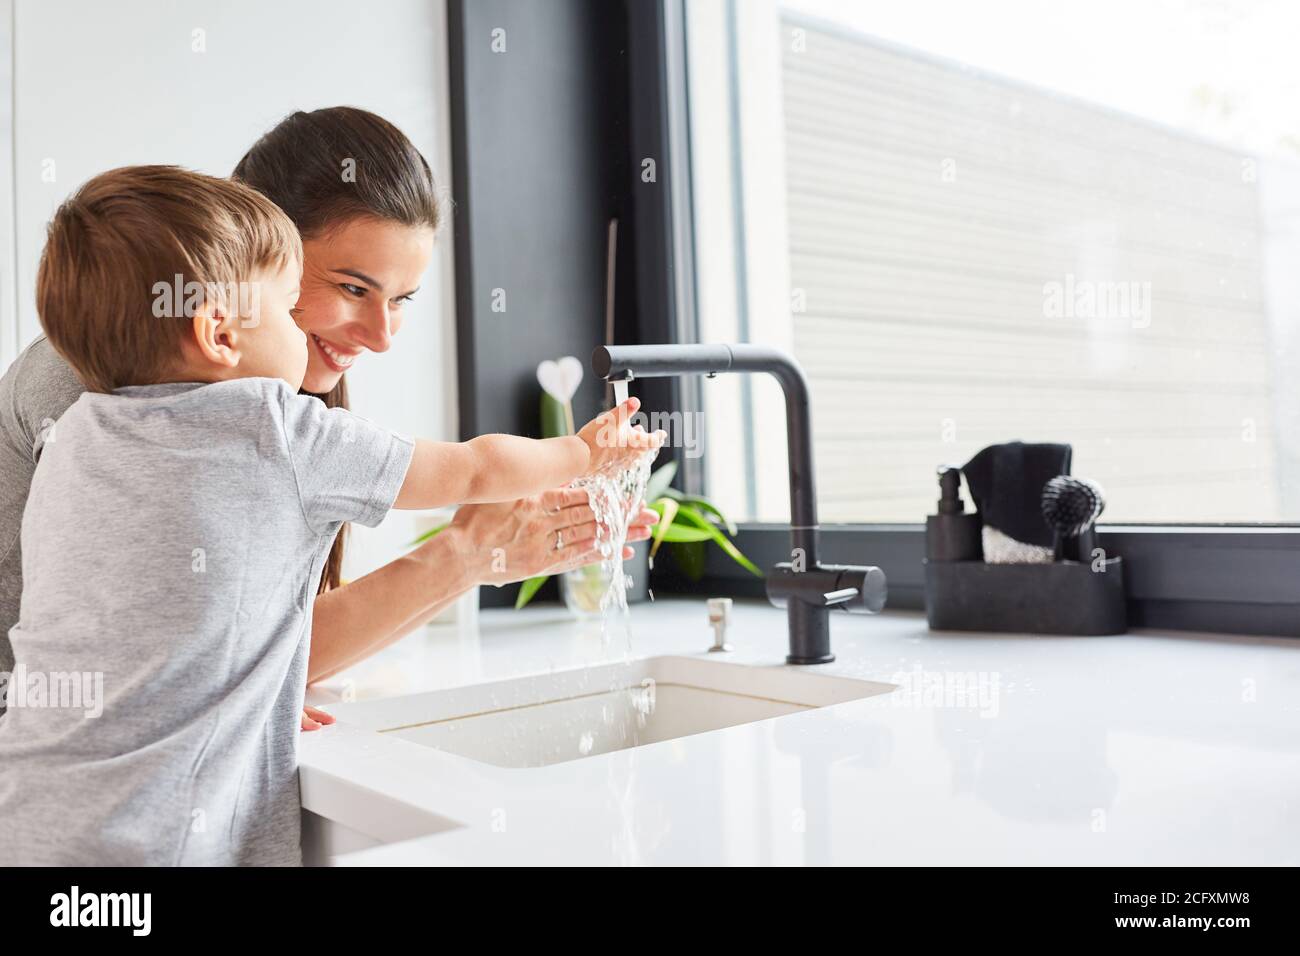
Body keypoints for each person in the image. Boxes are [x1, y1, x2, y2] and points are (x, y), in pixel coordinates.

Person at [0, 165, 663, 865]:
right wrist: (581, 454)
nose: (377, 337)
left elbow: (137, 620)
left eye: (401, 299)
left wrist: (262, 684)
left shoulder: (77, 435)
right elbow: (474, 467)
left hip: (29, 816)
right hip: (157, 842)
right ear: (220, 334)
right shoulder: (272, 426)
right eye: (293, 305)